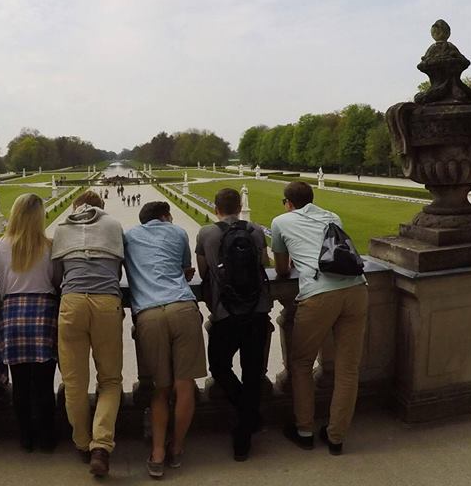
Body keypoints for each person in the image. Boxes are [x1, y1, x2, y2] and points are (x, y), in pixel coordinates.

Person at [272, 181, 367, 456]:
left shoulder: (281, 221)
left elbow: (281, 269)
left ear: (288, 203)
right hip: (356, 289)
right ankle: (336, 437)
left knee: (301, 363)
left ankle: (304, 431)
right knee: (348, 368)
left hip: (319, 295)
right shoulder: (332, 216)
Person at [124, 202, 205, 479]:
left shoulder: (129, 236)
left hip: (149, 313)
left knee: (161, 388)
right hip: (182, 307)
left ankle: (157, 454)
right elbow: (184, 269)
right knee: (185, 386)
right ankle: (177, 448)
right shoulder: (178, 231)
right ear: (165, 216)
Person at [195, 187, 272, 461]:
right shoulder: (256, 230)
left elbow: (203, 272)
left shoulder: (206, 233)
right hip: (257, 310)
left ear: (216, 208)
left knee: (219, 367)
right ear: (240, 207)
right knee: (252, 372)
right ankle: (245, 432)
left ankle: (247, 414)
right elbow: (264, 263)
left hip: (225, 312)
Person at [52, 190, 125, 477]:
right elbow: (118, 272)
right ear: (102, 206)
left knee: (74, 383)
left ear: (76, 206)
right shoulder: (113, 226)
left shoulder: (63, 227)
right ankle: (101, 446)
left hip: (71, 303)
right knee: (110, 379)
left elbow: (56, 277)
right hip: (106, 301)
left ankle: (82, 443)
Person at [0, 194, 61, 453]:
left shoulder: (0, 244)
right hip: (43, 312)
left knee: (20, 384)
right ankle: (47, 438)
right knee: (44, 384)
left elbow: (2, 282)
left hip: (12, 314)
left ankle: (26, 437)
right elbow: (55, 282)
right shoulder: (49, 245)